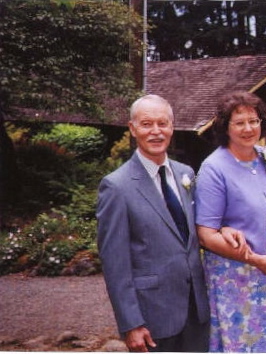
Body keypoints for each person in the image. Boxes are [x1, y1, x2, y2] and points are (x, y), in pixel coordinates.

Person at [96, 94, 210, 352]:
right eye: (147, 124)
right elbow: (115, 264)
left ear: (172, 126)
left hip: (197, 312)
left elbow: (198, 234)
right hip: (153, 318)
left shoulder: (186, 174)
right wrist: (131, 324)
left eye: (163, 123)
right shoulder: (116, 187)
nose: (156, 132)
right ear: (132, 129)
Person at [194, 91, 266, 352]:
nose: (248, 128)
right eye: (239, 123)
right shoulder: (214, 168)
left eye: (253, 121)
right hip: (237, 279)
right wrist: (255, 260)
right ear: (225, 127)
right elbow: (206, 234)